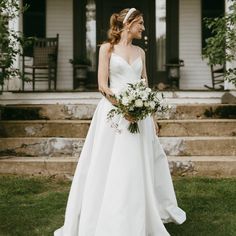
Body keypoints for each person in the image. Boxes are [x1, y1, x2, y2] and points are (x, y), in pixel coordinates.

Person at [54, 8, 186, 236]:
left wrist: (151, 115)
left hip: (140, 114)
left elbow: (145, 85)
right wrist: (123, 106)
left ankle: (139, 214)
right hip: (114, 114)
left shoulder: (141, 52)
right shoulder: (107, 49)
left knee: (137, 164)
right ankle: (109, 215)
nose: (143, 28)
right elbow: (102, 86)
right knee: (112, 164)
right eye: (141, 23)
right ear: (128, 23)